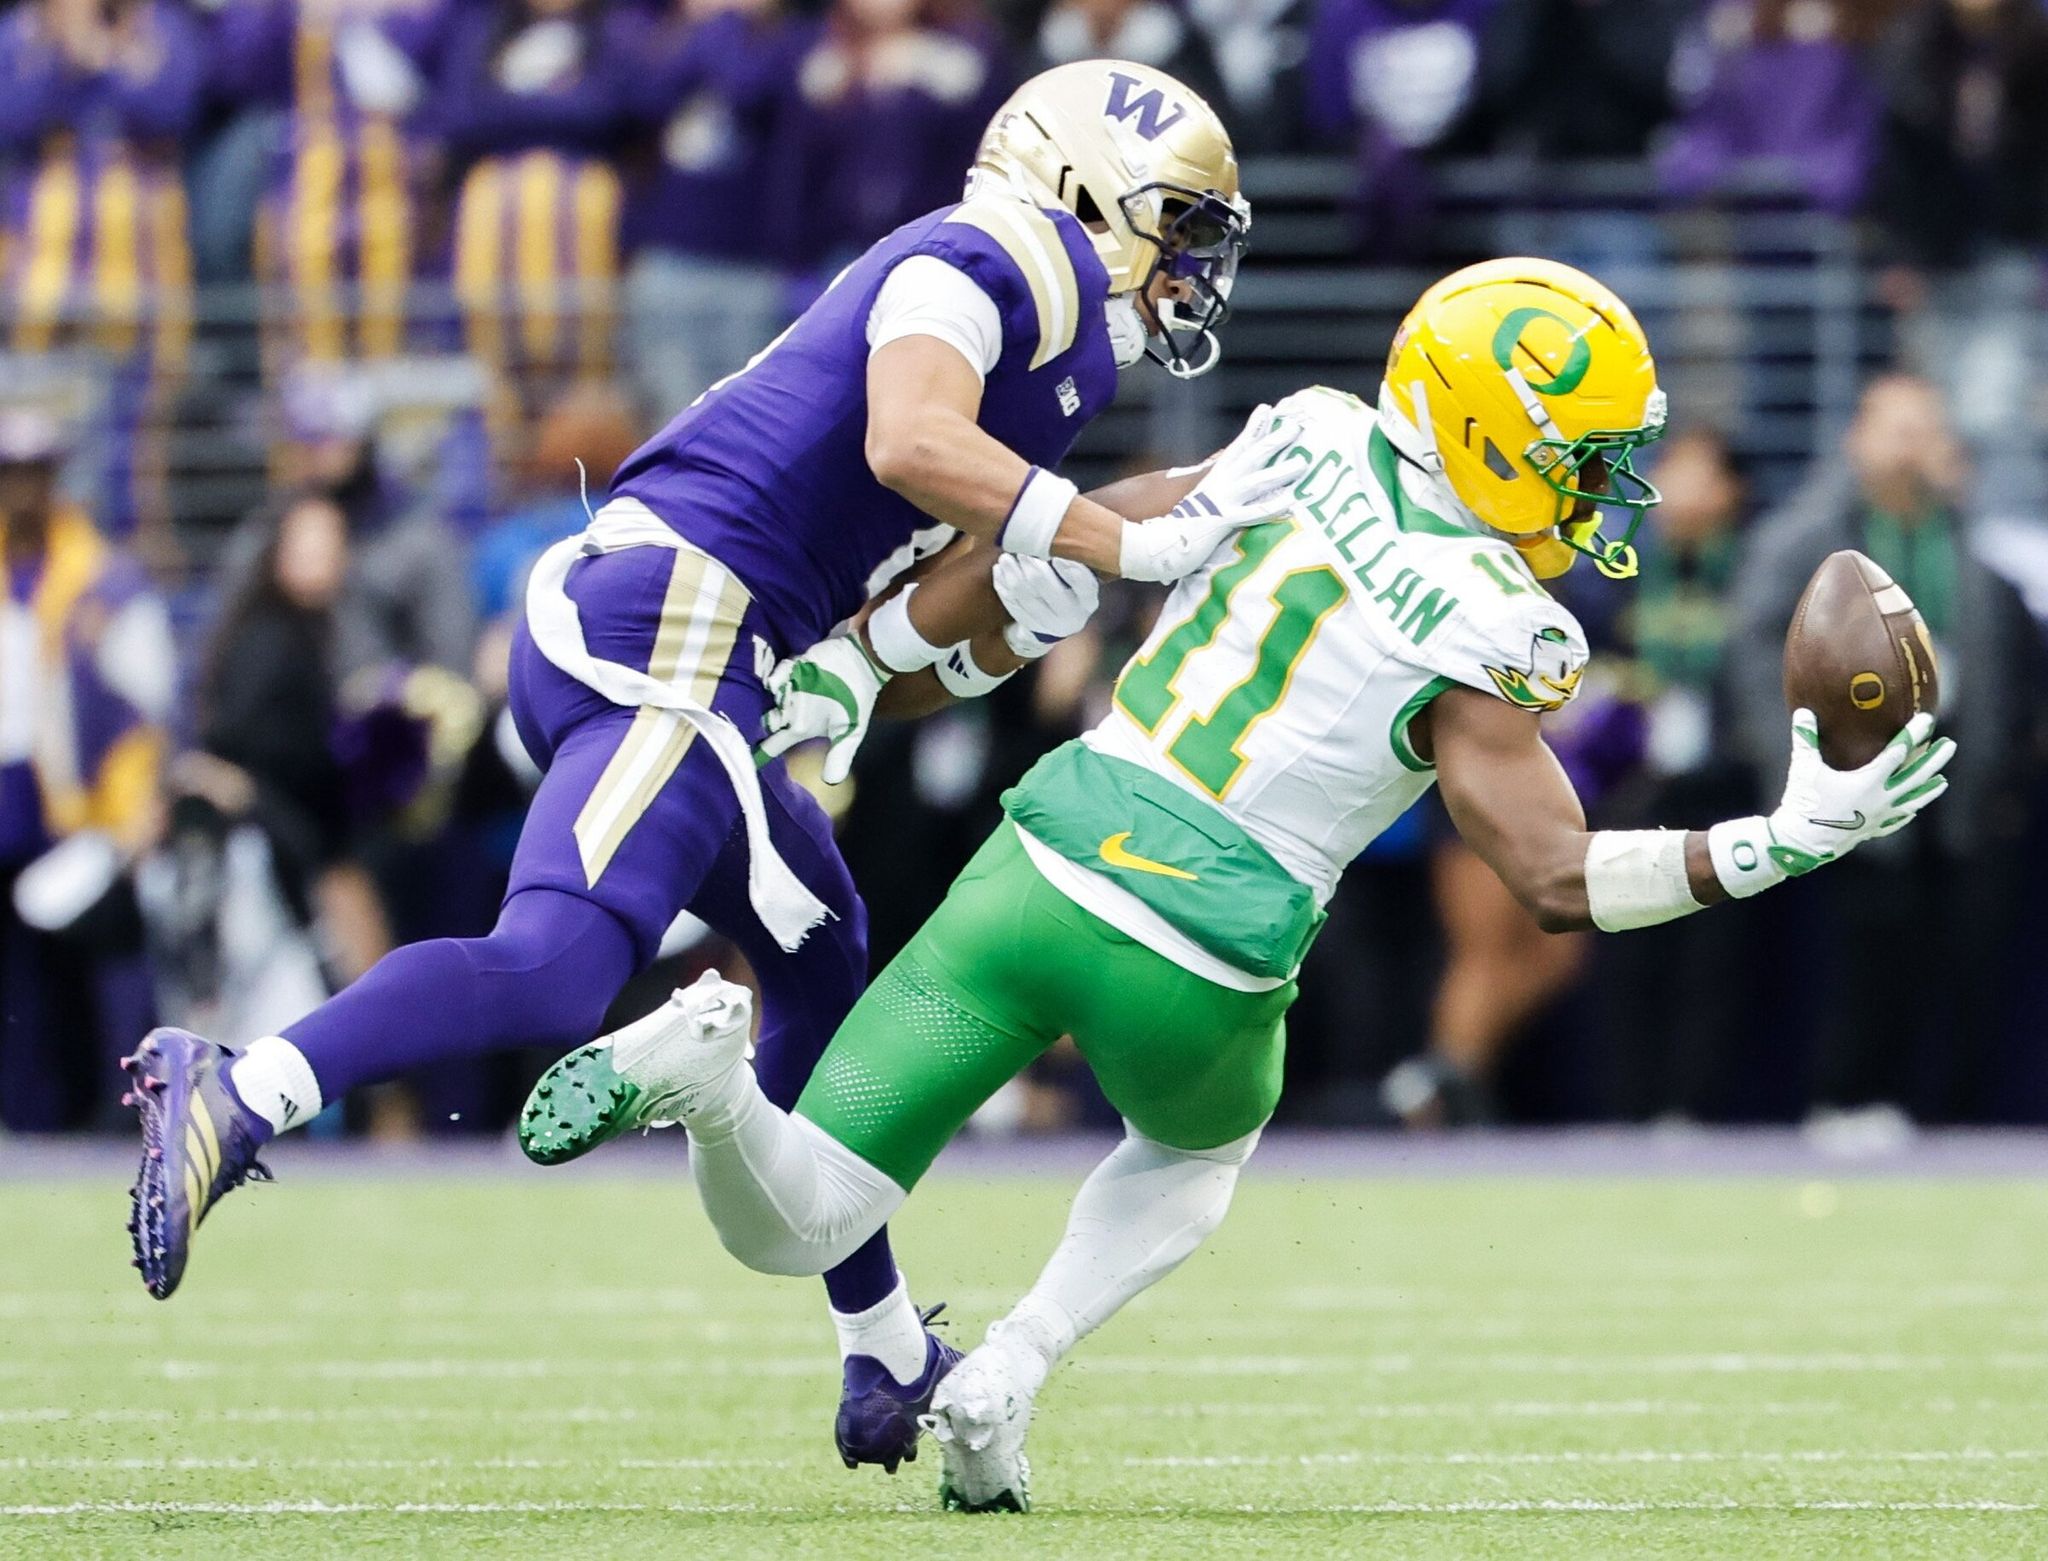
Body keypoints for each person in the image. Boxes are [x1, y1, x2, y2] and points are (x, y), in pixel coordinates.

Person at [517, 259, 1956, 1509]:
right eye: (1579, 456)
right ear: (1490, 437)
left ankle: (708, 1078)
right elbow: (1558, 878)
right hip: (1203, 954)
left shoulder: (1307, 432)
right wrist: (1783, 838)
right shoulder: (1500, 621)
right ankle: (1010, 1366)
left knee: (803, 1219)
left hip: (1039, 861)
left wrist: (859, 661)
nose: (1599, 489)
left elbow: (1080, 530)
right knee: (1194, 1164)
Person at [124, 60, 1292, 1474]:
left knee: (820, 948)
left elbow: (919, 603)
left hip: (728, 648)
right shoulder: (1000, 251)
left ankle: (884, 1353)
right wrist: (1123, 542)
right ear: (1085, 190)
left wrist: (961, 631)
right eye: (1177, 223)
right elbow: (908, 437)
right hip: (670, 615)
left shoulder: (1066, 367)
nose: (1190, 263)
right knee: (555, 969)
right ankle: (239, 1089)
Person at [1727, 373, 2038, 1127]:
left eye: (1924, 429)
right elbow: (1756, 649)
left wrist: (2003, 769)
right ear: (1856, 440)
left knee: (1965, 957)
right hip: (1852, 773)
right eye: (1896, 429)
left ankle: (1952, 1118)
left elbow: (2010, 658)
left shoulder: (1970, 536)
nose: (1910, 448)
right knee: (1865, 950)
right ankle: (1847, 1097)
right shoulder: (1811, 540)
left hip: (1956, 783)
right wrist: (1793, 757)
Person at [0, 411, 174, 1130]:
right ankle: (26, 1114)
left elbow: (152, 695)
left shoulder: (105, 579)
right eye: (10, 475)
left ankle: (126, 1111)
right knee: (18, 974)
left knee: (110, 963)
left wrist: (144, 797)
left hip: (88, 798)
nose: (21, 491)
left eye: (33, 474)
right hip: (10, 787)